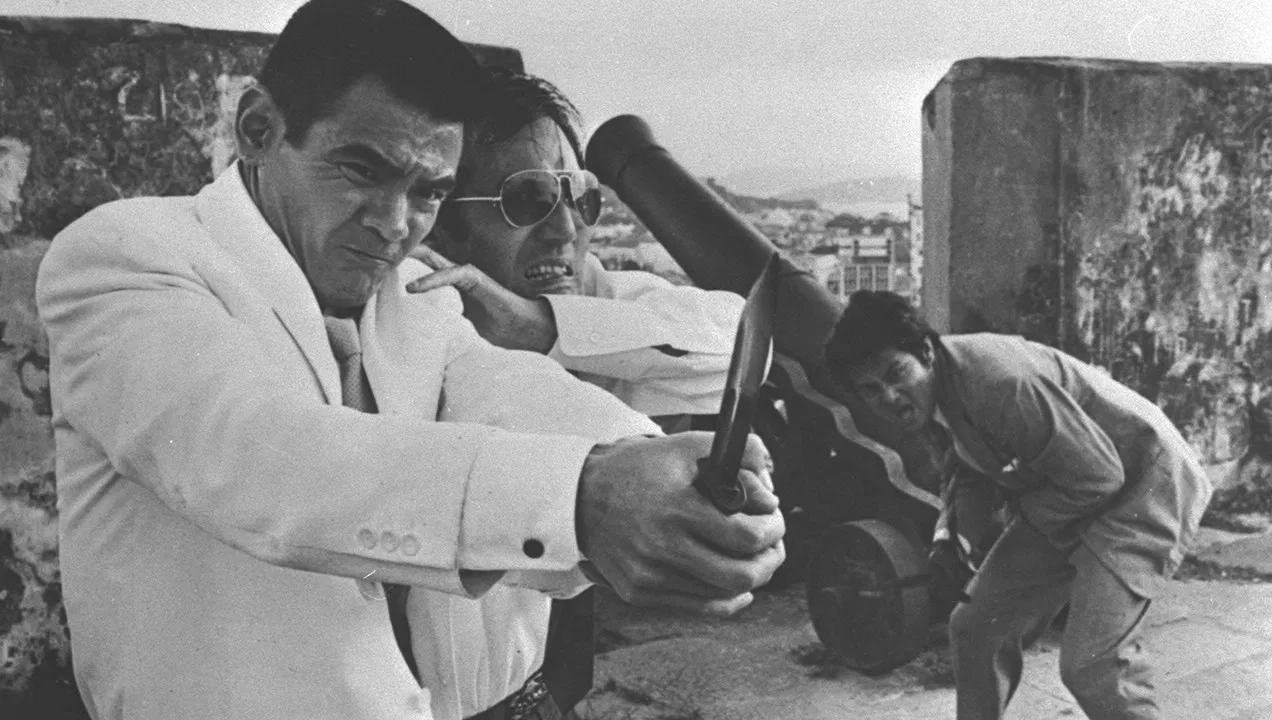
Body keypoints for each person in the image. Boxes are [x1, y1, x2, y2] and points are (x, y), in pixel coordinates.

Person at [35, 2, 785, 719]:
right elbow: (254, 452)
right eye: (362, 171)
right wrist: (583, 497)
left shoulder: (412, 291)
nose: (395, 225)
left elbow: (507, 388)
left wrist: (655, 470)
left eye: (428, 192)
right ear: (258, 128)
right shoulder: (124, 257)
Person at [403, 69, 746, 718]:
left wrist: (550, 328)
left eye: (581, 199)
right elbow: (503, 390)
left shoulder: (573, 287)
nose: (566, 229)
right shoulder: (416, 299)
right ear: (444, 224)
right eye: (528, 199)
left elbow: (739, 334)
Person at [822, 291, 1211, 720]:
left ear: (926, 353)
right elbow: (967, 468)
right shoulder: (934, 393)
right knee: (974, 628)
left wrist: (1021, 521)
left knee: (1092, 665)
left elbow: (1100, 476)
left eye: (896, 373)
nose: (890, 396)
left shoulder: (998, 383)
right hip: (1068, 490)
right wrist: (951, 543)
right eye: (871, 390)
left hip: (1142, 484)